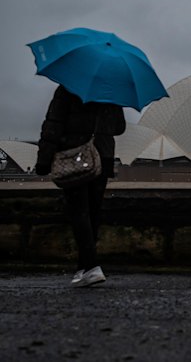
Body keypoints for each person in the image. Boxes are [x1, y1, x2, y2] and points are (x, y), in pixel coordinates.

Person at [35, 85, 126, 287]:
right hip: (102, 157)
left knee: (79, 212)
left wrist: (44, 160)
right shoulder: (111, 91)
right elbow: (119, 127)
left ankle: (92, 267)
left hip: (75, 157)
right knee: (92, 213)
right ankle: (83, 268)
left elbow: (53, 125)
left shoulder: (67, 88)